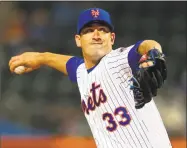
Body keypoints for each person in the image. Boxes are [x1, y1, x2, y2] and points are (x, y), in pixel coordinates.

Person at [9, 8, 172, 148]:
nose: (96, 35)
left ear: (112, 38)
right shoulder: (82, 72)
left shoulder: (117, 60)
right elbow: (70, 64)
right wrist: (41, 57)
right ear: (78, 40)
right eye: (88, 31)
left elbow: (146, 44)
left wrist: (154, 53)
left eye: (103, 29)